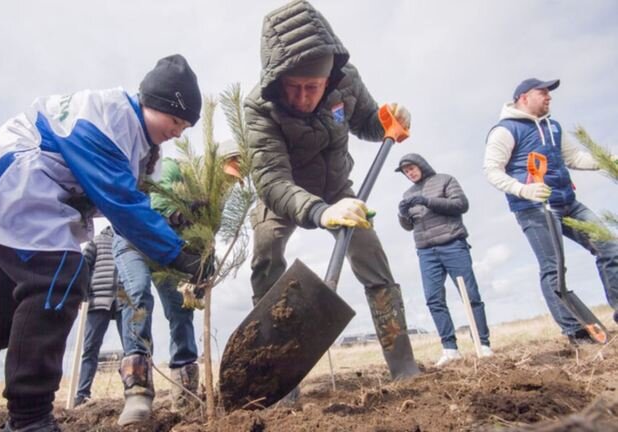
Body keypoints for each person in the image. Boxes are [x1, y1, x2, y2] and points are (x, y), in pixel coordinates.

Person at [0, 54, 213, 432]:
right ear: (154, 103)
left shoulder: (134, 136)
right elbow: (120, 201)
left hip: (26, 200)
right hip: (18, 186)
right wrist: (177, 253)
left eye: (185, 127)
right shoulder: (108, 119)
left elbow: (132, 196)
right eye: (176, 121)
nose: (178, 132)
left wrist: (173, 219)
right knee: (58, 279)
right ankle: (29, 418)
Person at [244, 0, 420, 382]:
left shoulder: (346, 82)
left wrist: (389, 119)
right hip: (284, 193)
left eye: (314, 87)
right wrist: (318, 212)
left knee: (371, 254)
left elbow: (370, 126)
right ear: (278, 80)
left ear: (329, 77)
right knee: (266, 249)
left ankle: (404, 367)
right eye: (295, 88)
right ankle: (279, 378)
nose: (305, 97)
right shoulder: (260, 107)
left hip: (338, 189)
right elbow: (272, 181)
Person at [112, 138, 241, 425]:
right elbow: (152, 206)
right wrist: (179, 214)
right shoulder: (173, 168)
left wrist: (203, 269)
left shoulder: (216, 201)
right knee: (137, 293)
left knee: (181, 313)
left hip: (168, 252)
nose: (227, 185)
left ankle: (184, 394)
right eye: (226, 176)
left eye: (233, 182)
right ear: (213, 164)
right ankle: (138, 389)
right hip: (132, 240)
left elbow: (206, 242)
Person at [484, 78, 618, 345]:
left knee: (610, 247)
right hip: (534, 207)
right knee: (553, 267)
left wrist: (606, 161)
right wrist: (524, 189)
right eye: (542, 92)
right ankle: (577, 332)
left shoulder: (553, 127)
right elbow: (492, 170)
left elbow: (574, 158)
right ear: (523, 97)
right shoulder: (505, 130)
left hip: (567, 201)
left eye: (549, 93)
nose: (549, 97)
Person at [396, 153, 493, 366]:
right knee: (433, 299)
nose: (409, 173)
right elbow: (408, 226)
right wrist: (402, 214)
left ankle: (482, 344)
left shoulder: (445, 180)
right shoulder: (407, 193)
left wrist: (427, 201)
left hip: (452, 244)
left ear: (421, 165)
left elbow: (461, 204)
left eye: (411, 168)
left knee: (470, 295)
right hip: (426, 251)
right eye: (406, 171)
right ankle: (450, 349)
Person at [72, 226, 124, 408]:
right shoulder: (97, 241)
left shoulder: (129, 238)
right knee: (90, 348)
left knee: (131, 348)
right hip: (98, 299)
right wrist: (82, 294)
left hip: (123, 300)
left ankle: (132, 390)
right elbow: (83, 266)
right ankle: (82, 394)